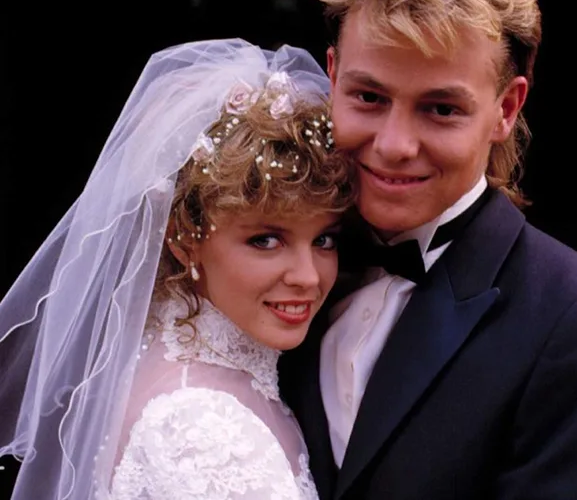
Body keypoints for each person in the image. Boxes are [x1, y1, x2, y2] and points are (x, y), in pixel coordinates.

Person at [278, 0, 577, 498]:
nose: (395, 144)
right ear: (332, 77)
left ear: (506, 109)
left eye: (441, 109)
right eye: (369, 98)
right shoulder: (258, 269)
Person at [0, 38, 356, 499]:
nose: (307, 276)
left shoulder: (163, 354)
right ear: (185, 237)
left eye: (324, 239)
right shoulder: (202, 431)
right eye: (265, 240)